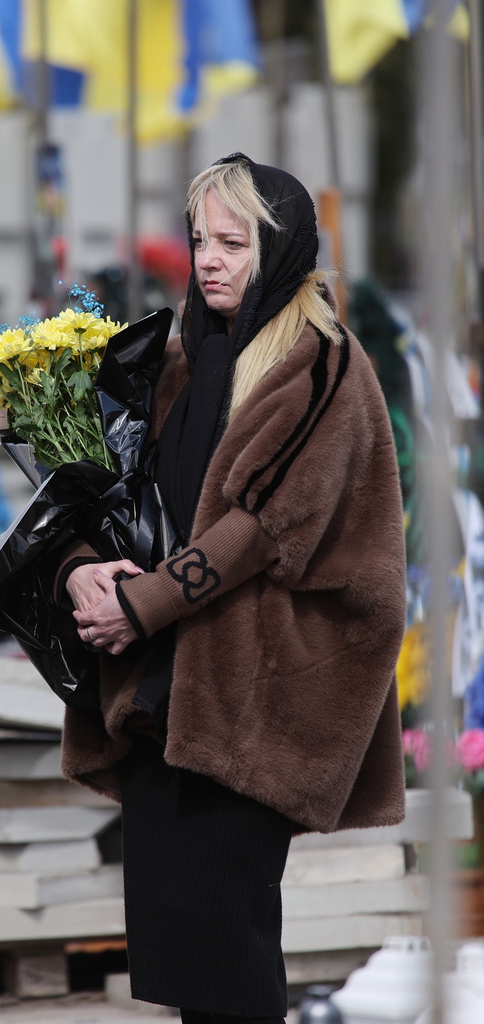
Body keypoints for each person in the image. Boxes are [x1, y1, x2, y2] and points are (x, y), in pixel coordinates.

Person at [55, 154, 407, 1024]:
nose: (208, 259)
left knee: (228, 955)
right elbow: (110, 496)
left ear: (279, 248)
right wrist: (80, 569)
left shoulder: (321, 365)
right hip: (167, 696)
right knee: (186, 962)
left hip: (258, 697)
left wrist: (138, 606)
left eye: (233, 242)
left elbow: (264, 527)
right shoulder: (176, 365)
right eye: (199, 240)